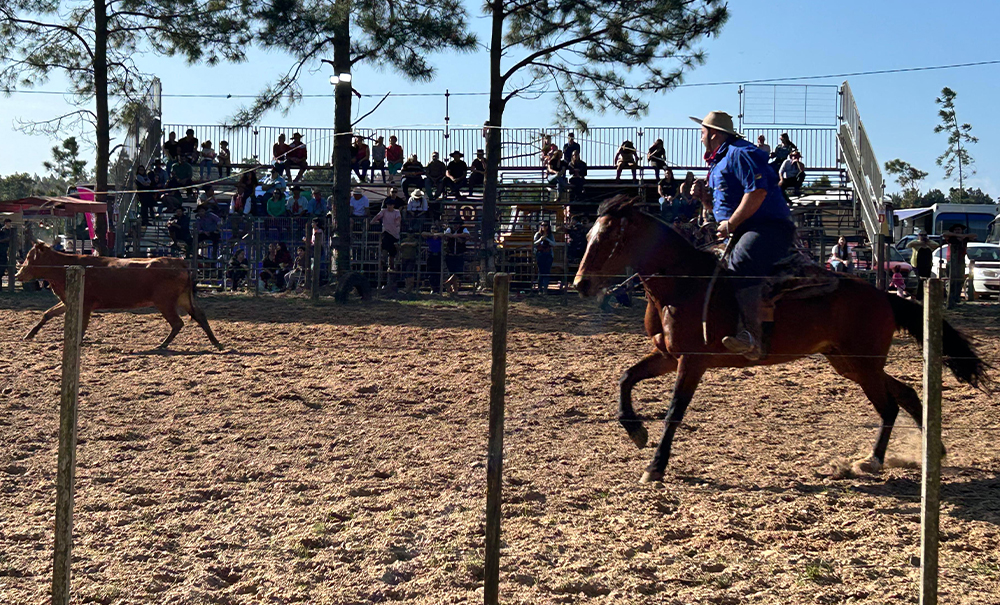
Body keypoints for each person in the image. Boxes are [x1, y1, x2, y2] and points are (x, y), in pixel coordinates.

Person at [692, 110, 794, 360]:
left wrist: (731, 224)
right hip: (743, 229)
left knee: (740, 263)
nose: (701, 135)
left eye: (703, 131)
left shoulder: (741, 153)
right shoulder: (719, 161)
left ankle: (752, 337)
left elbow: (757, 192)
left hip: (767, 228)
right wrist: (705, 200)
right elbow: (725, 207)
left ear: (714, 133)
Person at [906, 230, 939, 300]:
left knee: (926, 280)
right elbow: (908, 245)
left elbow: (937, 245)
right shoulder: (916, 243)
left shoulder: (929, 244)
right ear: (918, 236)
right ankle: (918, 296)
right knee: (920, 280)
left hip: (927, 264)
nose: (923, 236)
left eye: (924, 235)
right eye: (921, 235)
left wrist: (927, 242)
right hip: (917, 264)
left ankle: (925, 294)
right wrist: (920, 243)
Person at [372, 198, 402, 270]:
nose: (389, 206)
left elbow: (398, 219)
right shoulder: (384, 211)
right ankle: (383, 259)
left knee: (392, 251)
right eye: (388, 205)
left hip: (394, 234)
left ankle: (391, 266)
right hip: (386, 232)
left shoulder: (396, 212)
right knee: (385, 245)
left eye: (390, 205)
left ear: (393, 205)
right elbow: (378, 216)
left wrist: (397, 223)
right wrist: (373, 221)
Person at [443, 216, 471, 293]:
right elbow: (446, 235)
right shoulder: (449, 229)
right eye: (454, 224)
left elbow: (467, 235)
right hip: (450, 254)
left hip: (459, 254)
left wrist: (456, 236)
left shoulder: (463, 229)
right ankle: (454, 290)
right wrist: (453, 236)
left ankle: (448, 283)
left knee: (459, 272)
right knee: (452, 272)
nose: (455, 225)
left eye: (457, 224)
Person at [534, 221, 555, 294]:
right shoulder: (538, 234)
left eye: (545, 225)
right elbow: (534, 244)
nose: (543, 227)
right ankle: (540, 289)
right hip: (540, 254)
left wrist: (547, 239)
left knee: (547, 272)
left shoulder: (550, 235)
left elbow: (554, 244)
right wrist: (540, 239)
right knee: (540, 271)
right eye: (542, 225)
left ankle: (545, 289)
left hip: (548, 254)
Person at [424, 222, 444, 293]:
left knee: (438, 272)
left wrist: (436, 234)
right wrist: (432, 234)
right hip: (430, 254)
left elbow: (443, 234)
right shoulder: (429, 236)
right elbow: (423, 234)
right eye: (432, 229)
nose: (433, 230)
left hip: (438, 255)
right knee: (430, 272)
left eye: (435, 229)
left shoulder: (439, 237)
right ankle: (432, 287)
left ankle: (437, 288)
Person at [0, 219, 13, 285]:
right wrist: (6, 240)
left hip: (7, 249)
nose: (9, 224)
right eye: (8, 223)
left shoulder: (10, 230)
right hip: (3, 249)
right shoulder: (2, 230)